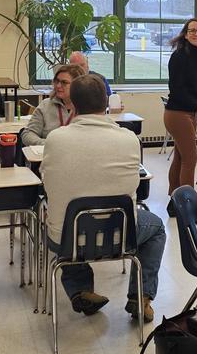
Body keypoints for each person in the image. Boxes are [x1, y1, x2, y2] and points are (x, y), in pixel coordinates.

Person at [41, 74, 166, 321]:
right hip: (120, 236)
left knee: (66, 212)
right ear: (107, 103)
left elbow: (49, 184)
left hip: (66, 239)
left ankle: (79, 290)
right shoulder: (129, 139)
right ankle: (140, 297)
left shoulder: (56, 139)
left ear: (73, 105)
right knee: (156, 226)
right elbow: (133, 183)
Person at [164, 18, 197, 197]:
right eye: (192, 31)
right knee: (190, 159)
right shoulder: (178, 57)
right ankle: (187, 204)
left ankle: (175, 200)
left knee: (180, 157)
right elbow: (177, 91)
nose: (196, 34)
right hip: (177, 113)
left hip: (188, 113)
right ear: (185, 35)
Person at [21, 63, 85, 146]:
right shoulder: (45, 105)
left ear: (77, 85)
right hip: (47, 154)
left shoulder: (86, 108)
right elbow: (28, 134)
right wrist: (49, 144)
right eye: (56, 81)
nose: (58, 86)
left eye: (64, 82)